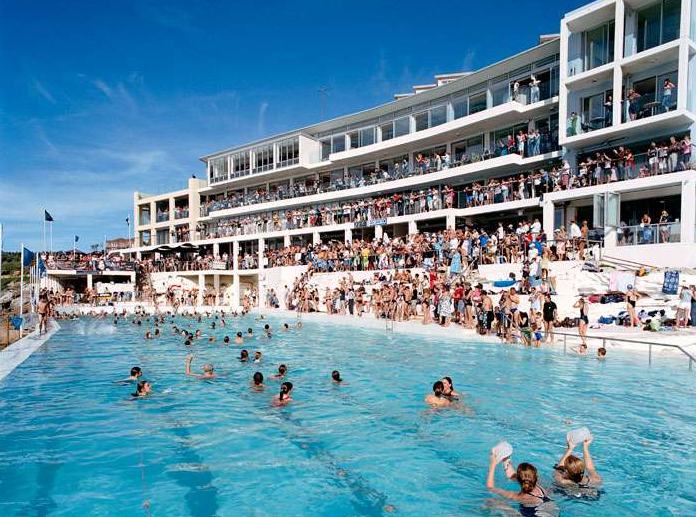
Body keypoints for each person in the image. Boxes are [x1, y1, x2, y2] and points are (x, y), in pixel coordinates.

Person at [486, 454, 556, 516]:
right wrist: (506, 460)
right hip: (553, 513)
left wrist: (492, 466)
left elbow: (490, 488)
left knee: (493, 501)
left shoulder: (519, 496)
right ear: (536, 477)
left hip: (536, 513)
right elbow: (512, 476)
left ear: (519, 480)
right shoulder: (540, 489)